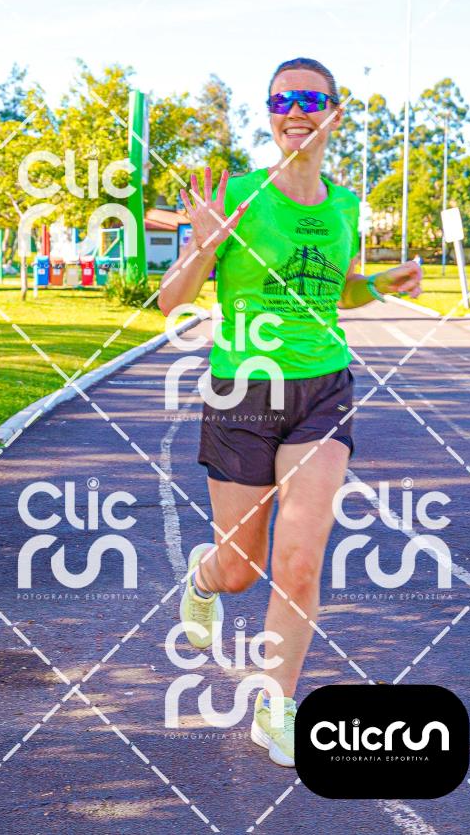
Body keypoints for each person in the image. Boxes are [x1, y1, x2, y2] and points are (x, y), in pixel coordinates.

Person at [158, 57, 422, 767]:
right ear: (270, 113)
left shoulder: (346, 205)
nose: (295, 111)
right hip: (243, 393)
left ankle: (276, 707)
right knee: (242, 569)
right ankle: (204, 577)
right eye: (281, 101)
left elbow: (337, 291)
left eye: (310, 98)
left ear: (335, 111)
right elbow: (171, 301)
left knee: (301, 560)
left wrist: (380, 283)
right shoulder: (239, 194)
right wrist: (204, 245)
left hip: (323, 389)